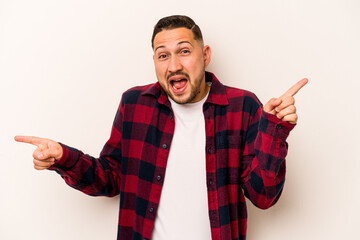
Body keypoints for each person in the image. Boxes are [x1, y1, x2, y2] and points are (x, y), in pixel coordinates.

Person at [15, 15, 307, 240]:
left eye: (184, 51)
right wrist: (63, 158)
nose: (173, 65)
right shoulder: (135, 103)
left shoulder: (242, 106)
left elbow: (263, 197)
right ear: (154, 60)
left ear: (204, 55)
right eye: (163, 55)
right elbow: (112, 179)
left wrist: (275, 130)